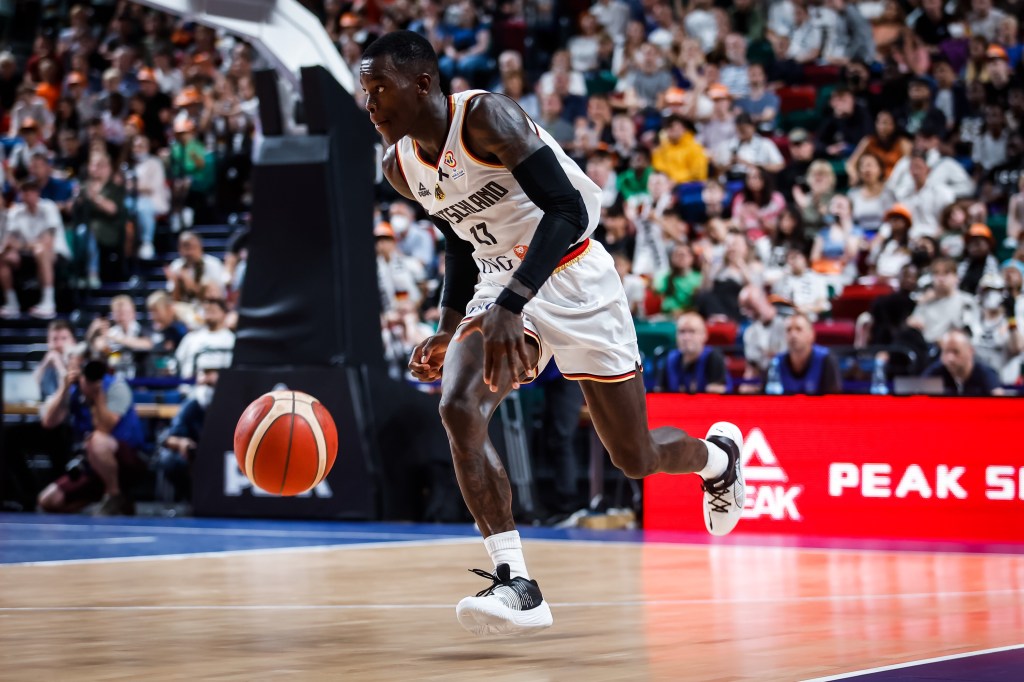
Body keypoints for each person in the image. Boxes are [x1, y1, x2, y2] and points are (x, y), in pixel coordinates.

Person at [359, 31, 747, 637]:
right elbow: (459, 243)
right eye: (366, 91)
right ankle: (516, 581)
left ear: (423, 84)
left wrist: (513, 303)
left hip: (575, 275)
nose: (370, 104)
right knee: (458, 406)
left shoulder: (484, 118)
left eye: (380, 88)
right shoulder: (400, 167)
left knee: (634, 457)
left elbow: (568, 209)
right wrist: (448, 326)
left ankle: (718, 459)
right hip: (500, 285)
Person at [37, 347, 146, 516]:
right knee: (48, 500)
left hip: (126, 460)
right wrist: (64, 389)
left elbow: (104, 428)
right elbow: (49, 422)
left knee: (97, 441)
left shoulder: (115, 387)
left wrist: (97, 396)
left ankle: (114, 495)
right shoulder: (72, 390)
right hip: (91, 464)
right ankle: (106, 504)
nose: (89, 375)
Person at [1, 177, 69, 319]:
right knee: (4, 258)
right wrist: (18, 248)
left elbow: (47, 242)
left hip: (55, 254)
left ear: (38, 192)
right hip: (27, 254)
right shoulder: (15, 211)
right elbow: (10, 241)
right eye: (24, 191)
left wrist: (22, 246)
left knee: (41, 251)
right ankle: (11, 303)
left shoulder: (49, 207)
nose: (28, 194)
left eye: (31, 190)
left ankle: (48, 303)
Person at [771, 312, 843, 395]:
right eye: (788, 330)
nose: (793, 335)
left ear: (811, 334)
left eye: (799, 329)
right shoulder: (776, 362)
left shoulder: (825, 359)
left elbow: (834, 397)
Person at [660, 313, 728, 394]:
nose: (686, 337)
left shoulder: (713, 357)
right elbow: (660, 391)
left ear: (704, 335)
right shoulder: (669, 359)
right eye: (682, 332)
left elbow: (720, 391)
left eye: (692, 331)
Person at [922, 329, 1001, 395]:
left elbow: (998, 399)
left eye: (956, 352)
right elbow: (919, 395)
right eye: (946, 351)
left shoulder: (986, 374)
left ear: (970, 351)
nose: (950, 358)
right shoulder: (936, 373)